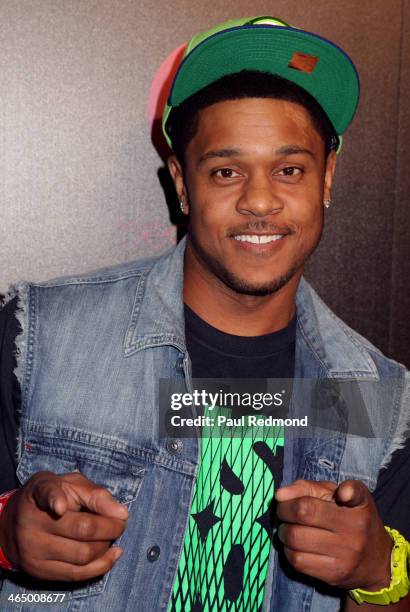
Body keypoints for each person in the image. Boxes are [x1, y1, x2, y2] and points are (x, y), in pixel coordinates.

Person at [0, 15, 409, 612]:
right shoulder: (41, 336)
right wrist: (8, 535)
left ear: (327, 178)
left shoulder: (380, 397)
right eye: (226, 171)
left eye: (289, 169)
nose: (260, 200)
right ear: (182, 184)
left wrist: (377, 574)